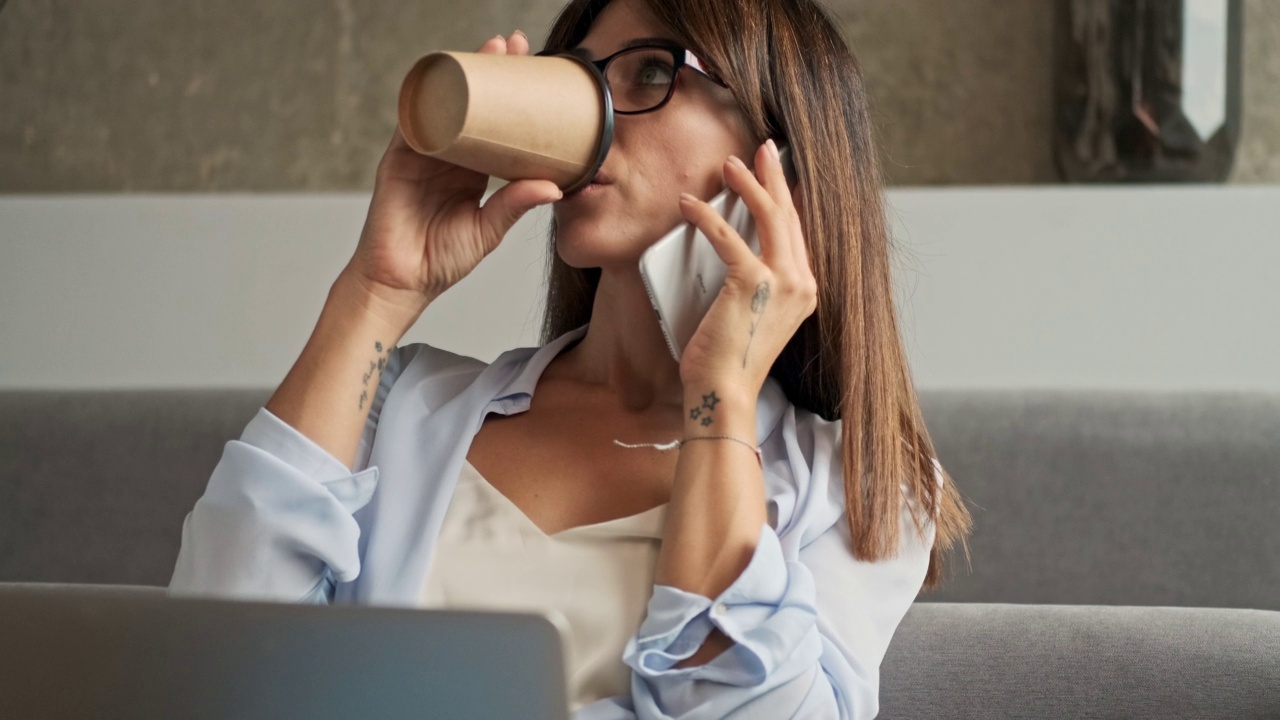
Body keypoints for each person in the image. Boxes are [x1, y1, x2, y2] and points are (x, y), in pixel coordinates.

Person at [169, 0, 973, 716]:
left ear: (782, 158)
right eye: (579, 80)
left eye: (652, 71)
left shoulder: (866, 487)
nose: (593, 124)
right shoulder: (397, 404)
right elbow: (211, 662)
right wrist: (378, 290)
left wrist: (720, 398)